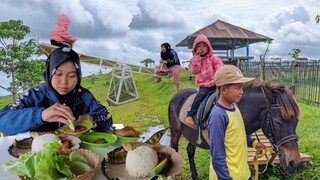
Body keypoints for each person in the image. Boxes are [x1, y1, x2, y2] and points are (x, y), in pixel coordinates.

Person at [0, 47, 113, 134]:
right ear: (49, 74)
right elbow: (2, 119)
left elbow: (107, 117)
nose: (64, 82)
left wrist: (92, 119)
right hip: (41, 155)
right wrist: (40, 115)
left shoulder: (84, 96)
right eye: (58, 74)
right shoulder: (35, 95)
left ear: (78, 77)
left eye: (72, 76)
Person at [208, 65, 266, 180]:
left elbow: (237, 134)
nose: (242, 92)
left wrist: (253, 142)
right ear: (223, 89)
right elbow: (217, 155)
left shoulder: (235, 107)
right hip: (228, 176)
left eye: (242, 88)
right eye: (238, 88)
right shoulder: (218, 116)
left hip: (242, 173)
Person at [186, 34, 224, 125]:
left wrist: (218, 79)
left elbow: (220, 69)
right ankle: (190, 115)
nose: (201, 48)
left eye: (204, 46)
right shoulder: (195, 60)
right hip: (205, 85)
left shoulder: (214, 59)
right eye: (198, 46)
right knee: (200, 96)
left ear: (208, 47)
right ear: (195, 49)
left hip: (217, 83)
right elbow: (194, 70)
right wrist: (196, 59)